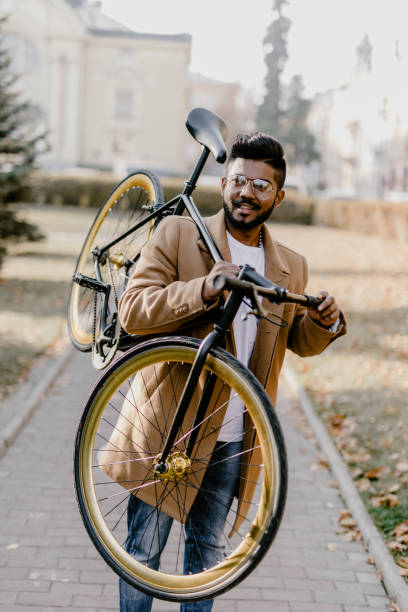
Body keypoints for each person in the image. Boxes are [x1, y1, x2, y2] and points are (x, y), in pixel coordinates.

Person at [102, 132, 346, 612]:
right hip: (168, 427)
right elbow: (134, 310)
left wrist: (323, 324)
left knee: (207, 557)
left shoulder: (290, 267)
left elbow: (295, 338)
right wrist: (204, 289)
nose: (246, 192)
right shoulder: (177, 234)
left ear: (278, 195)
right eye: (238, 180)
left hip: (233, 437)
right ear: (223, 182)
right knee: (143, 552)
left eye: (260, 184)